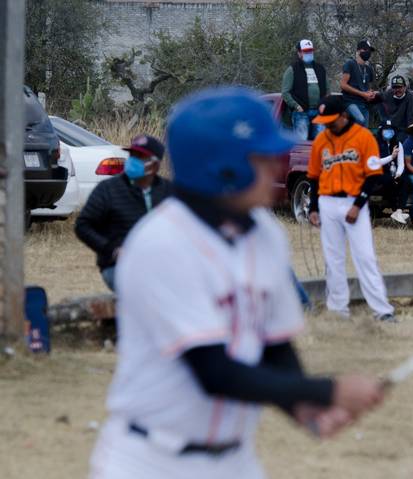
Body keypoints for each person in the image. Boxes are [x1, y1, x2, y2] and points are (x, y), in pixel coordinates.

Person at [88, 87, 385, 479]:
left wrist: (301, 408)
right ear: (224, 169)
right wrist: (325, 392)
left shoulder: (265, 232)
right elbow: (214, 372)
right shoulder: (160, 244)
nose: (278, 167)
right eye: (262, 158)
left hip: (236, 460)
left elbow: (275, 345)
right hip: (151, 460)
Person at [307, 95, 396, 322]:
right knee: (333, 258)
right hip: (327, 202)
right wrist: (314, 208)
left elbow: (373, 177)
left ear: (344, 116)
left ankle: (382, 310)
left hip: (354, 200)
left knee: (365, 257)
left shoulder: (364, 137)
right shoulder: (321, 140)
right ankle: (338, 310)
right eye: (324, 120)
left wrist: (358, 205)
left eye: (331, 120)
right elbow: (315, 177)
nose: (327, 124)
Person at [75, 135, 172, 291]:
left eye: (139, 157)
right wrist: (112, 250)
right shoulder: (108, 190)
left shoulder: (169, 192)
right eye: (132, 155)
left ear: (154, 165)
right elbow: (83, 225)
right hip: (118, 267)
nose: (132, 160)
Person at [281, 39, 328, 140]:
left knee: (320, 142)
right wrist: (297, 106)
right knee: (302, 143)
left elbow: (327, 90)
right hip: (301, 113)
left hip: (319, 112)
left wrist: (324, 104)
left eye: (310, 51)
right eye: (305, 51)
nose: (309, 53)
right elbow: (285, 92)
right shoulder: (292, 69)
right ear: (299, 53)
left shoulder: (320, 69)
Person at [375, 120, 409, 225]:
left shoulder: (398, 144)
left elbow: (401, 163)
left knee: (404, 180)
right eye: (386, 130)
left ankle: (399, 211)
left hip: (394, 172)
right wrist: (391, 157)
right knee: (389, 180)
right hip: (379, 172)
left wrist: (398, 174)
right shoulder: (374, 143)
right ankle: (395, 209)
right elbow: (375, 162)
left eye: (391, 130)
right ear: (381, 131)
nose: (389, 132)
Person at [340, 40, 378, 127]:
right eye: (366, 50)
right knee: (360, 120)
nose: (368, 52)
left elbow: (368, 87)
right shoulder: (350, 64)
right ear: (358, 51)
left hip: (363, 104)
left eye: (369, 51)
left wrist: (370, 93)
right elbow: (343, 85)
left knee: (365, 129)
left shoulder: (368, 69)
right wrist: (362, 94)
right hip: (350, 101)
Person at [379, 75, 413, 142]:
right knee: (382, 138)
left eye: (400, 87)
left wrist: (411, 133)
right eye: (395, 87)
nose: (397, 90)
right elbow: (382, 112)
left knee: (402, 139)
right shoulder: (387, 95)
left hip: (405, 128)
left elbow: (412, 117)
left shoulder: (412, 97)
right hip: (391, 127)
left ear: (405, 87)